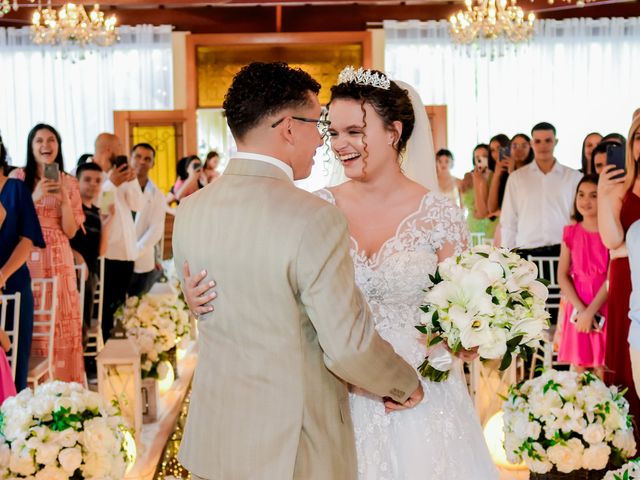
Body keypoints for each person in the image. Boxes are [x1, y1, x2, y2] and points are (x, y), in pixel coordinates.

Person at [183, 66, 498, 479]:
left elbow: (460, 307)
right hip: (334, 400)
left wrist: (464, 339)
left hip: (422, 396)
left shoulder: (438, 214)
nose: (339, 144)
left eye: (355, 131)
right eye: (333, 132)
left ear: (394, 132)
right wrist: (196, 300)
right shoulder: (313, 208)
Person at [9, 124, 86, 383]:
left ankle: (64, 388)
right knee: (31, 320)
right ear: (31, 147)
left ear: (58, 145)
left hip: (59, 256)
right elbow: (10, 221)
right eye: (39, 140)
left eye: (51, 140)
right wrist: (36, 195)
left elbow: (71, 231)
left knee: (61, 321)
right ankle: (30, 391)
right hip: (26, 253)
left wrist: (64, 197)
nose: (46, 145)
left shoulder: (70, 181)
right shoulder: (18, 178)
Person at [598, 114, 640, 435]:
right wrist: (602, 195)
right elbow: (613, 240)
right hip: (627, 280)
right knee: (626, 361)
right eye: (638, 137)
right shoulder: (618, 188)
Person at [0, 133, 45, 391]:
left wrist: (3, 275)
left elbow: (28, 239)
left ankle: (13, 418)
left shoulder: (16, 188)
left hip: (13, 280)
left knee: (14, 359)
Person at [500, 122, 582, 257]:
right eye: (538, 141)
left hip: (564, 252)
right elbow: (509, 221)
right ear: (532, 143)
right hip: (526, 252)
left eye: (548, 141)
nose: (543, 146)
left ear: (555, 142)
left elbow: (580, 219)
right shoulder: (516, 178)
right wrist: (506, 258)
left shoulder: (574, 177)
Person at [93, 133, 145, 342]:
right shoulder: (90, 174)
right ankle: (106, 350)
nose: (123, 152)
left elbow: (138, 206)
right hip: (107, 253)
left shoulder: (120, 175)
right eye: (120, 147)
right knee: (106, 309)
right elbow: (102, 210)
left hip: (126, 252)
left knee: (121, 308)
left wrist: (131, 182)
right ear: (108, 151)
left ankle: (121, 349)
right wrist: (110, 184)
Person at [556, 175, 608, 378]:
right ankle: (578, 408)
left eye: (594, 196)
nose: (586, 201)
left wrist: (591, 312)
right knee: (579, 367)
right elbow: (562, 275)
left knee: (602, 366)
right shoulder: (570, 232)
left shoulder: (610, 233)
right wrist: (581, 311)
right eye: (581, 194)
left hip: (603, 304)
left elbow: (611, 277)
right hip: (576, 304)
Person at [70, 162, 114, 329]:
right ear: (77, 182)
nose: (93, 185)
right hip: (72, 270)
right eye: (87, 180)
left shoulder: (97, 212)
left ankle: (83, 349)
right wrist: (76, 255)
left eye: (97, 181)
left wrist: (107, 224)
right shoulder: (71, 209)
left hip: (91, 273)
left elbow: (101, 252)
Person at [127, 143, 166, 297]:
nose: (142, 161)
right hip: (117, 258)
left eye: (147, 159)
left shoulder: (157, 195)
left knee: (136, 304)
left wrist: (135, 251)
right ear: (130, 158)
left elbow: (156, 229)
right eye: (138, 156)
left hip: (142, 260)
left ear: (152, 164)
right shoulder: (116, 186)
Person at [461, 143, 497, 243]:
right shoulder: (468, 178)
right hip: (472, 226)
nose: (480, 160)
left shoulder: (496, 176)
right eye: (477, 157)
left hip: (491, 225)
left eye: (484, 156)